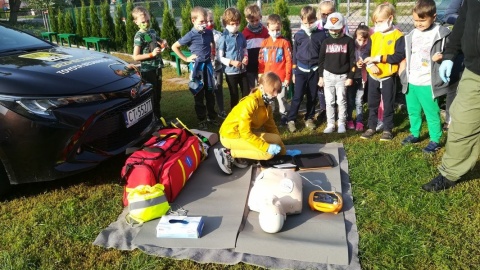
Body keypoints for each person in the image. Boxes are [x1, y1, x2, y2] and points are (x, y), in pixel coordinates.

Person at [422, 0, 480, 192]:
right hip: (475, 72)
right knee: (462, 124)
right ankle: (450, 173)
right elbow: (463, 21)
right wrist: (449, 54)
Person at [400, 0, 459, 154]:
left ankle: (435, 139)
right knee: (413, 111)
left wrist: (442, 57)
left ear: (433, 17)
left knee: (431, 113)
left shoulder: (442, 33)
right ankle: (415, 133)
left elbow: (453, 50)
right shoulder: (411, 34)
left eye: (422, 20)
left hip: (428, 82)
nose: (418, 24)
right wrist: (403, 74)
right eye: (415, 20)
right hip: (412, 81)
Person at [214, 72, 287, 175]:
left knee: (276, 139)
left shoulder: (267, 105)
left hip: (243, 134)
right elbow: (245, 133)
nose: (275, 94)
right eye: (273, 91)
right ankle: (228, 153)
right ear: (261, 87)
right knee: (267, 154)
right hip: (230, 136)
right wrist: (266, 147)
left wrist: (284, 153)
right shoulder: (250, 102)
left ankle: (238, 155)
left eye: (277, 91)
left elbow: (271, 127)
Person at [360, 2, 405, 141]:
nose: (377, 25)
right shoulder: (374, 36)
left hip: (388, 77)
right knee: (372, 103)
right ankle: (372, 126)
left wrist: (379, 58)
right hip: (373, 76)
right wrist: (370, 64)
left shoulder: (398, 36)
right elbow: (365, 53)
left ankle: (387, 129)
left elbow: (399, 55)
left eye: (380, 21)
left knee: (388, 102)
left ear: (390, 18)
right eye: (375, 22)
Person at [171, 6, 218, 130]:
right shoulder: (190, 35)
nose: (205, 24)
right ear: (193, 21)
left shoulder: (208, 32)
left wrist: (213, 53)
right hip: (197, 68)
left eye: (206, 21)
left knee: (210, 93)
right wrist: (186, 59)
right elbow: (174, 46)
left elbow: (212, 42)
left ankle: (212, 117)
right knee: (198, 94)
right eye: (201, 22)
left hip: (208, 67)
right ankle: (201, 119)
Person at [287, 6, 327, 133]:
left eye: (311, 22)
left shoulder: (321, 35)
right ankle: (291, 119)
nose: (308, 25)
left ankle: (309, 118)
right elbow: (294, 54)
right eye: (305, 23)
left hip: (314, 70)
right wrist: (294, 71)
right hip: (300, 71)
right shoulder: (298, 35)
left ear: (316, 19)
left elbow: (323, 57)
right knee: (297, 96)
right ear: (301, 21)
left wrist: (321, 75)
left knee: (312, 96)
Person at [318, 12, 356, 134]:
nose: (333, 31)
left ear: (342, 27)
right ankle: (330, 124)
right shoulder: (325, 42)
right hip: (328, 76)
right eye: (331, 29)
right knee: (329, 101)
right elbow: (321, 60)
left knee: (341, 100)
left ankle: (341, 123)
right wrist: (320, 77)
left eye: (336, 29)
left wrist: (350, 76)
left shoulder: (348, 41)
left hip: (342, 77)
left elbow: (352, 61)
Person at [131, 6, 167, 118]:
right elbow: (135, 56)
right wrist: (151, 54)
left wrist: (163, 42)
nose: (146, 24)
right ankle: (153, 118)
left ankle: (158, 116)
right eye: (143, 22)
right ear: (136, 22)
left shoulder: (151, 31)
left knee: (158, 94)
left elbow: (157, 39)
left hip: (157, 68)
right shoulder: (139, 36)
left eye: (148, 21)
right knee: (152, 95)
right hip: (148, 70)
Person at [258, 14, 292, 126]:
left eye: (278, 29)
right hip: (268, 77)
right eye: (273, 30)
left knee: (281, 97)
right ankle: (269, 116)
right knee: (268, 97)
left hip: (281, 77)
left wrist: (287, 77)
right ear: (267, 28)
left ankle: (283, 115)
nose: (275, 32)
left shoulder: (284, 42)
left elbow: (288, 61)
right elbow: (261, 60)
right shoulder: (264, 43)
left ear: (281, 27)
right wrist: (261, 75)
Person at [218, 7, 249, 109]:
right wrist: (231, 62)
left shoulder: (241, 35)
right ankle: (234, 116)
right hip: (231, 72)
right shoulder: (223, 38)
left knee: (246, 92)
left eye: (237, 23)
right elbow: (219, 57)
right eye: (232, 24)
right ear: (226, 23)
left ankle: (244, 112)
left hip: (242, 70)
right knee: (234, 95)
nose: (235, 26)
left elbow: (245, 48)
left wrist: (245, 57)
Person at [347, 23, 370, 132]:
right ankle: (349, 119)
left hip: (362, 79)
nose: (361, 43)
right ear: (355, 37)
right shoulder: (351, 48)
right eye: (359, 39)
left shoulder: (368, 50)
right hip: (351, 78)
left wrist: (365, 63)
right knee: (350, 100)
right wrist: (355, 63)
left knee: (359, 100)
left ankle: (360, 121)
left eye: (363, 40)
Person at [206, 9, 227, 119]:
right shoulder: (201, 35)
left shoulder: (219, 35)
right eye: (207, 21)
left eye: (211, 20)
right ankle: (210, 112)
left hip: (217, 67)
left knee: (219, 88)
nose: (209, 23)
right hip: (206, 68)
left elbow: (222, 50)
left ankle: (221, 110)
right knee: (209, 90)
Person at [242, 4, 269, 90]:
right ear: (247, 19)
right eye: (252, 21)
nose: (255, 23)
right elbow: (243, 49)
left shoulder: (265, 31)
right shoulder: (245, 33)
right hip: (250, 64)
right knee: (251, 87)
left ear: (260, 17)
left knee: (262, 84)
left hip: (262, 63)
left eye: (257, 20)